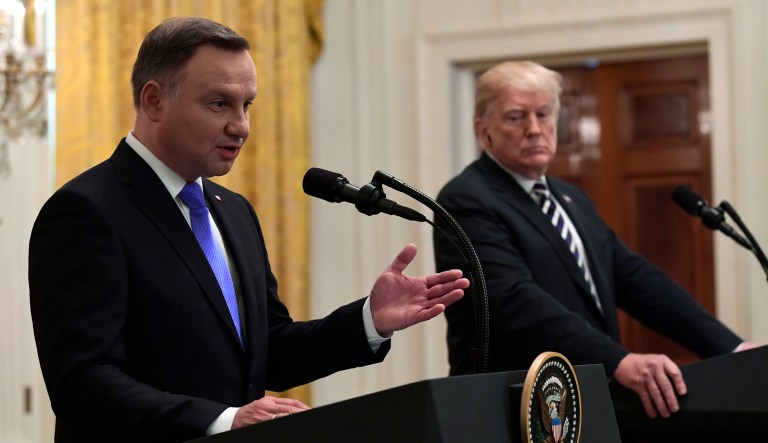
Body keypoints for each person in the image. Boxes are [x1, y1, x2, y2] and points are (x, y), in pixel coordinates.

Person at [29, 17, 469, 443]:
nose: (241, 126)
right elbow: (82, 383)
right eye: (219, 104)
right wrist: (222, 420)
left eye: (247, 105)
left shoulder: (233, 211)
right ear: (154, 101)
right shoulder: (86, 211)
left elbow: (267, 354)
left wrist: (367, 322)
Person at [432, 60, 758, 420]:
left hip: (582, 401)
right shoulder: (466, 200)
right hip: (508, 410)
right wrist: (617, 360)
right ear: (484, 131)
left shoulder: (570, 198)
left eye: (544, 114)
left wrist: (731, 348)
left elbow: (635, 279)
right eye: (515, 117)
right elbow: (514, 302)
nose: (534, 129)